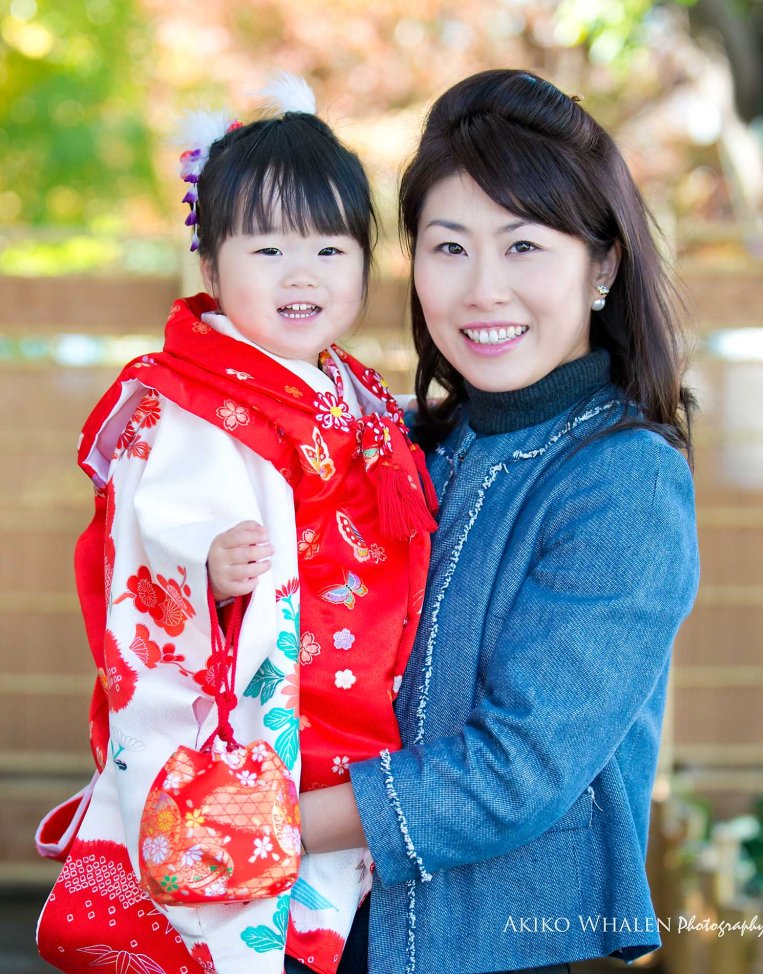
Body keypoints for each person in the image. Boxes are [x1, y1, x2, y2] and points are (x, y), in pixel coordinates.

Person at [293, 69, 700, 974]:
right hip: (319, 929)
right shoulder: (393, 445)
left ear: (602, 265)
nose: (481, 290)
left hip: (504, 949)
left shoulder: (624, 480)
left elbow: (515, 771)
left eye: (523, 248)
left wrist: (263, 827)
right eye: (448, 248)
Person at [35, 77, 435, 974]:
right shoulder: (188, 403)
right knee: (250, 928)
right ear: (211, 269)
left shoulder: (355, 390)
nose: (304, 273)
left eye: (332, 247)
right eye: (268, 248)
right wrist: (201, 567)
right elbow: (147, 539)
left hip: (353, 719)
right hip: (266, 725)